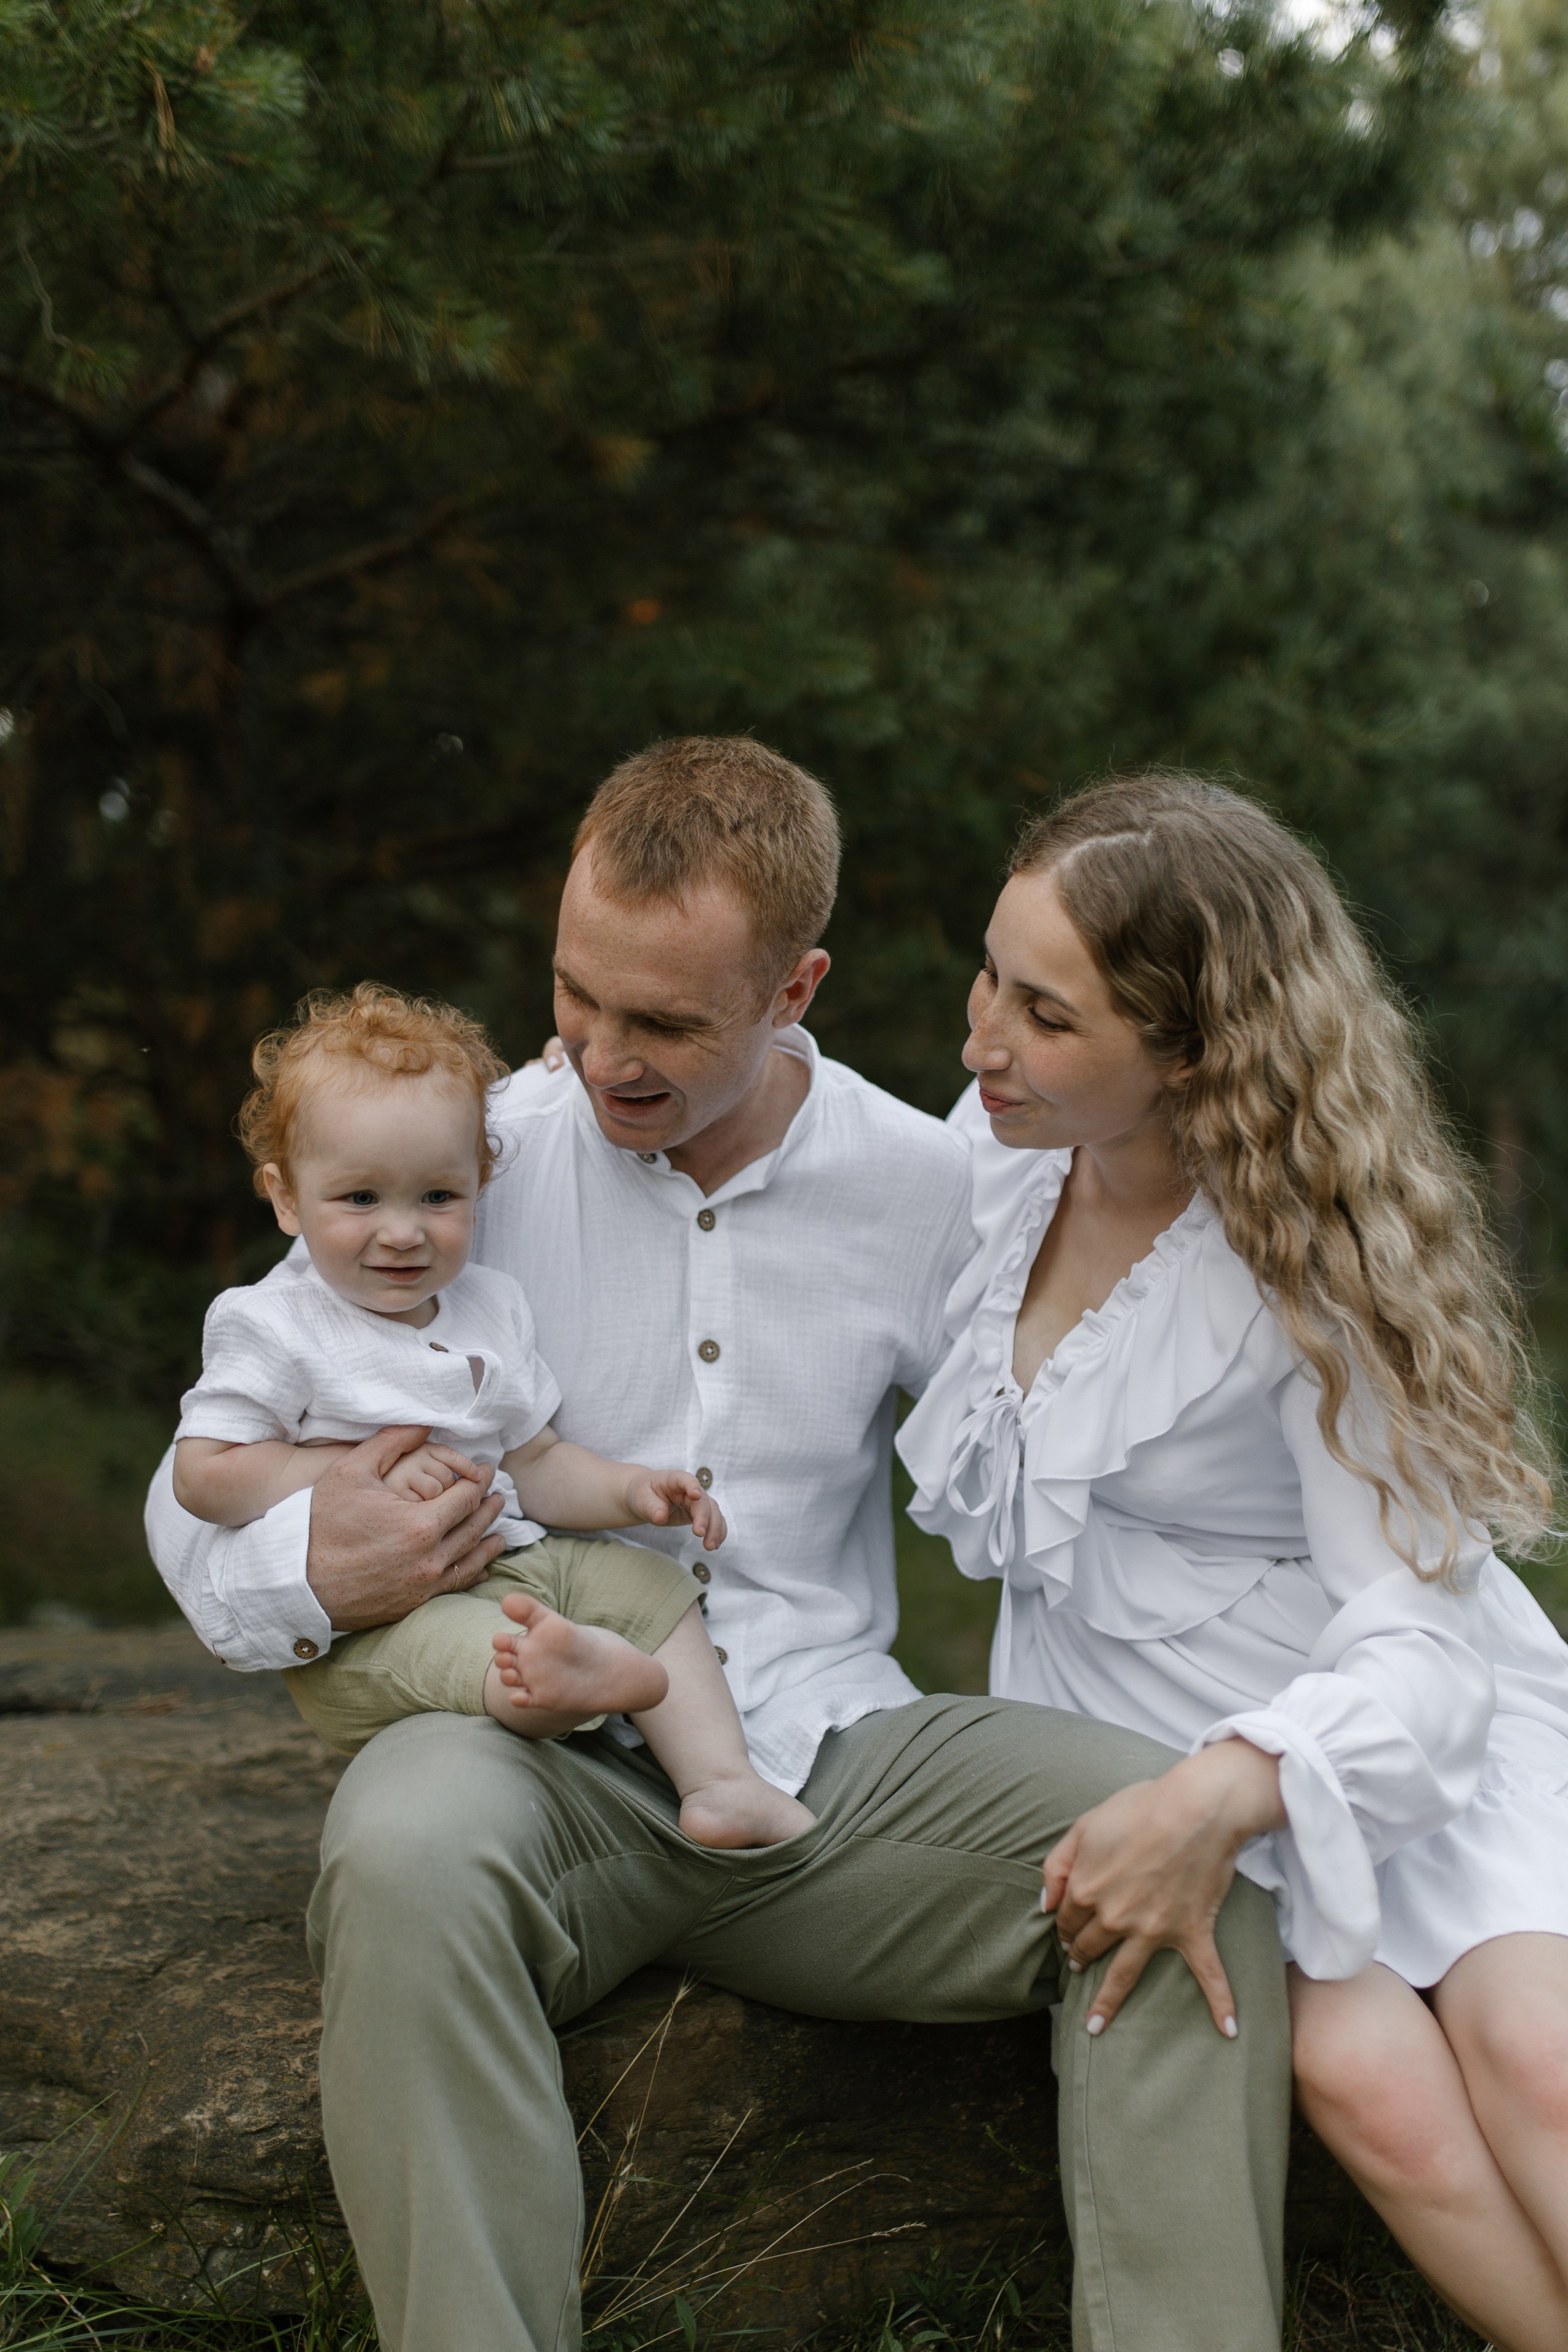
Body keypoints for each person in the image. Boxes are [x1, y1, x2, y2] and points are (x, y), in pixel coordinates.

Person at [148, 736, 1295, 2352]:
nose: (603, 1055)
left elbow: (1134, 1444)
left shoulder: (938, 1186)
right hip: (521, 1748)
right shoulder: (458, 1161)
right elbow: (193, 1475)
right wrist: (307, 1566)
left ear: (797, 986)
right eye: (576, 998)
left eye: (666, 1024)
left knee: (1181, 1855)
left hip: (823, 1760)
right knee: (403, 1851)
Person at [898, 771, 1568, 2352]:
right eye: (991, 972)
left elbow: (1418, 1645)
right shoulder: (993, 1155)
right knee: (1365, 2086)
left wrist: (1227, 1789)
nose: (984, 1037)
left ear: (1192, 1050)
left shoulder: (1304, 1266)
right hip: (1134, 1717)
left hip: (1377, 1727)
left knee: (1534, 2056)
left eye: (1047, 1015)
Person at [172, 979, 812, 1851]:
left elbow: (538, 1460)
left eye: (437, 1198)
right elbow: (204, 1475)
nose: (402, 1232)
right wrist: (342, 1470)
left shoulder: (490, 1307)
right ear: (286, 1199)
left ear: (481, 1183)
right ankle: (555, 1686)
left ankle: (721, 1783)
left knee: (651, 1585)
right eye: (360, 1199)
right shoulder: (273, 1324)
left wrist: (632, 1491)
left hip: (514, 1562)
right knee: (483, 1645)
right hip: (379, 1626)